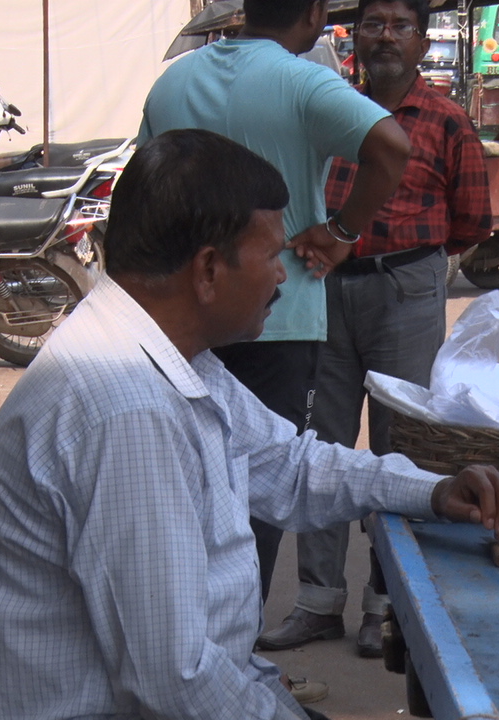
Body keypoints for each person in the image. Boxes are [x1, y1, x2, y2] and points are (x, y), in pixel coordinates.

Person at [0, 129, 499, 720]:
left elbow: (288, 465)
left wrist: (429, 489)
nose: (283, 276)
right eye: (271, 256)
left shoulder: (172, 354)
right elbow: (176, 680)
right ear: (207, 270)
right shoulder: (126, 410)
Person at [136, 0, 410, 635]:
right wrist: (342, 230)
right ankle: (228, 652)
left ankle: (194, 650)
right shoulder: (303, 78)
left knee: (180, 489)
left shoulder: (174, 80)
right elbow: (390, 146)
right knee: (258, 495)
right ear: (314, 12)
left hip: (185, 317)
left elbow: (143, 183)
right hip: (276, 318)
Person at [257, 0, 492, 659]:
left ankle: (388, 606)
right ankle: (318, 602)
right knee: (319, 444)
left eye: (399, 25)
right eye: (372, 24)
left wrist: (412, 258)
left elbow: (473, 221)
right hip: (323, 287)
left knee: (401, 449)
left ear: (423, 41)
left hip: (406, 290)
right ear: (352, 36)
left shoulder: (447, 119)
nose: (384, 36)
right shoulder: (329, 105)